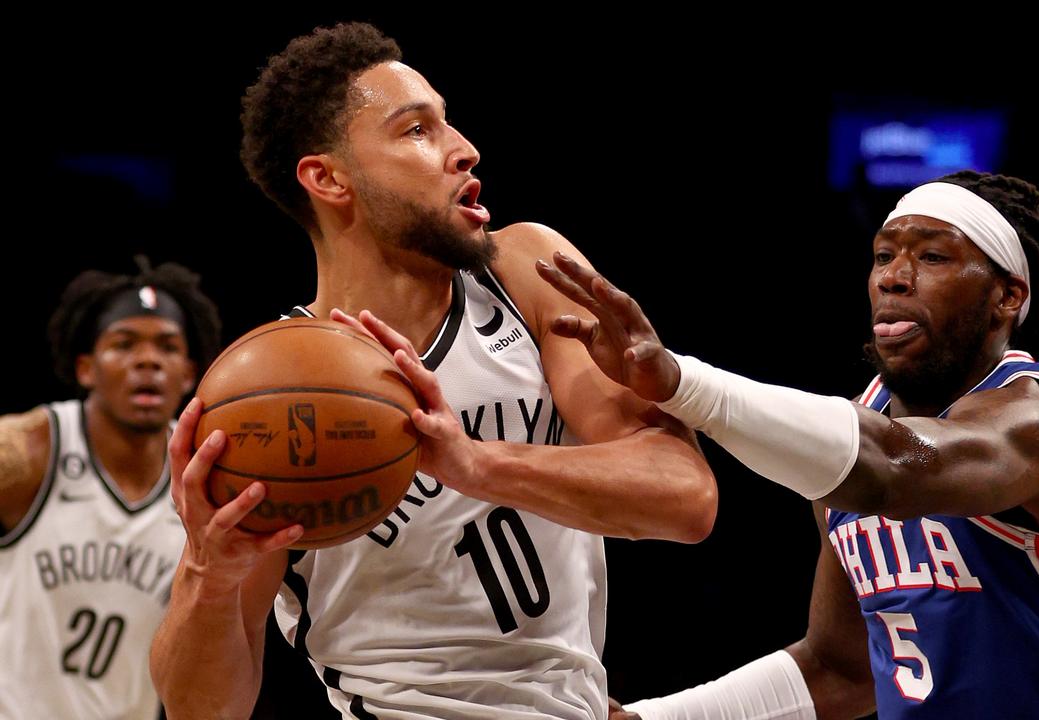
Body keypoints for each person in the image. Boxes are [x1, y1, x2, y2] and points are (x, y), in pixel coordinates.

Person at [149, 22, 717, 720]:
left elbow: (687, 498)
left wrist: (475, 465)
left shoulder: (525, 272)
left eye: (446, 123)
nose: (463, 149)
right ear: (327, 178)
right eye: (417, 130)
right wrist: (211, 575)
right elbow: (202, 710)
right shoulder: (265, 397)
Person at [540, 171, 1039, 719]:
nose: (894, 277)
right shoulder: (851, 440)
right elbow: (840, 670)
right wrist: (649, 717)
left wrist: (683, 385)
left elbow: (908, 465)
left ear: (1005, 298)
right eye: (884, 256)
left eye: (932, 257)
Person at [0, 258, 221, 719]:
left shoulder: (209, 475)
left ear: (187, 374)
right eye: (123, 344)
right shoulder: (31, 450)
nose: (147, 359)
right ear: (86, 369)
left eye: (167, 347)